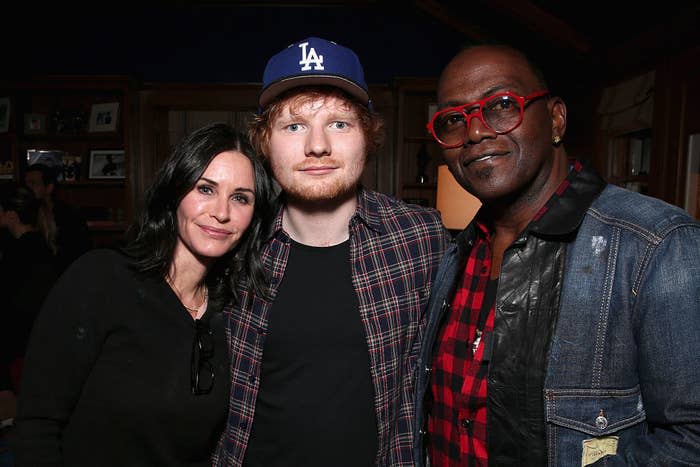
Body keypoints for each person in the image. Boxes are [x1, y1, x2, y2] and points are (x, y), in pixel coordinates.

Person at [413, 44, 700, 466]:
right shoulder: (454, 254)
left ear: (555, 119)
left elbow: (691, 440)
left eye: (502, 105)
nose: (475, 133)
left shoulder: (654, 244)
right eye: (454, 119)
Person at [212, 37, 451, 466]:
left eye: (339, 123)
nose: (317, 146)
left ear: (368, 136)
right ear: (265, 143)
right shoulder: (231, 241)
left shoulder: (421, 237)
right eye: (294, 126)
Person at [13, 123, 273, 466]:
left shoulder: (232, 312)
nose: (222, 212)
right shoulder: (102, 280)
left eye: (240, 197)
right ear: (175, 193)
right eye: (205, 189)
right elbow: (37, 427)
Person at [0, 186, 58, 466]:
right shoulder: (31, 246)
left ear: (10, 215)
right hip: (27, 344)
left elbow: (19, 307)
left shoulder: (25, 251)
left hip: (23, 346)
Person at [24, 162, 91, 274]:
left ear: (49, 187)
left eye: (33, 183)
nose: (27, 189)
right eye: (26, 184)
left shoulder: (69, 216)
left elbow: (78, 253)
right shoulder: (25, 214)